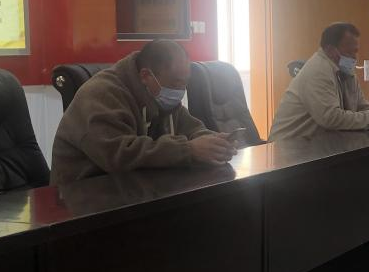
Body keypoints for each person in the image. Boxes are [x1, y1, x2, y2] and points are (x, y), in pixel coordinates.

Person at [51, 39, 236, 184]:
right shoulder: (100, 94)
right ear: (146, 76)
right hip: (82, 198)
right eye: (175, 83)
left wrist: (213, 143)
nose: (180, 91)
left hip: (132, 190)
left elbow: (189, 127)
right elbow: (119, 155)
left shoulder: (158, 94)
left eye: (184, 83)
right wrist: (189, 150)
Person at [269, 22, 369, 140]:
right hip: (288, 149)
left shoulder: (344, 70)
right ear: (330, 50)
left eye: (356, 51)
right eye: (350, 52)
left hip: (314, 145)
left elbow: (360, 106)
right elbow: (331, 118)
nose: (354, 57)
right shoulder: (318, 71)